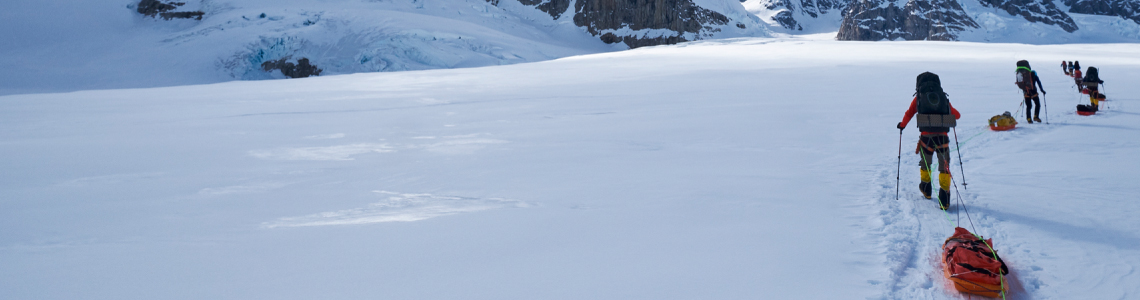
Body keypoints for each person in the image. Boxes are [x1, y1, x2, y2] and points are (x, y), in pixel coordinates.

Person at [897, 72, 961, 210]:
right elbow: (957, 115)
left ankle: (926, 189)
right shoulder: (943, 97)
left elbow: (909, 113)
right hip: (942, 137)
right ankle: (944, 198)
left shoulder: (919, 98)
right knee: (944, 166)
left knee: (925, 162)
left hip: (926, 138)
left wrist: (902, 125)